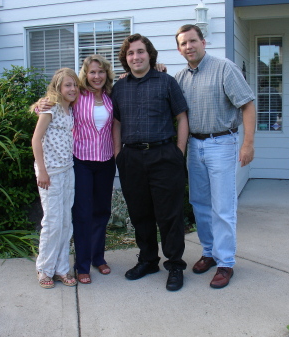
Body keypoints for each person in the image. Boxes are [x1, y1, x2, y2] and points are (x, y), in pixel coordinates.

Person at [174, 24, 256, 289]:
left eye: (193, 41)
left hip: (221, 142)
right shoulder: (179, 78)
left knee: (222, 206)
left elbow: (247, 104)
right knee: (199, 203)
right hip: (193, 146)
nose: (189, 46)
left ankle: (225, 263)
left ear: (203, 42)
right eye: (183, 43)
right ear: (179, 49)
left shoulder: (224, 68)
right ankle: (208, 252)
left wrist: (248, 144)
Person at [112, 33, 189, 291]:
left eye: (140, 51)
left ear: (150, 54)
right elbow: (116, 122)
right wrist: (118, 154)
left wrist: (179, 152)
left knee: (170, 215)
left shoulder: (166, 81)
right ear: (126, 58)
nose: (136, 56)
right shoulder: (119, 87)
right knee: (140, 214)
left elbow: (181, 116)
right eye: (131, 53)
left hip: (164, 156)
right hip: (131, 158)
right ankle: (147, 260)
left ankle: (175, 265)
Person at [37, 55, 116, 285]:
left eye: (101, 72)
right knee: (82, 214)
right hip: (81, 162)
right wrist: (42, 104)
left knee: (102, 211)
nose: (97, 76)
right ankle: (82, 265)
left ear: (106, 74)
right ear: (85, 74)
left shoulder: (112, 95)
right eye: (92, 72)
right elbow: (54, 104)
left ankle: (98, 257)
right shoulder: (77, 96)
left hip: (105, 161)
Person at [31, 67, 79, 289]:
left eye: (75, 84)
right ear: (58, 88)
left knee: (65, 221)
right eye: (67, 85)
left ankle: (61, 268)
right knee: (52, 222)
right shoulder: (51, 108)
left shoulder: (71, 109)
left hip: (68, 170)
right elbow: (36, 140)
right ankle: (45, 268)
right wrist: (42, 170)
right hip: (50, 173)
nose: (72, 88)